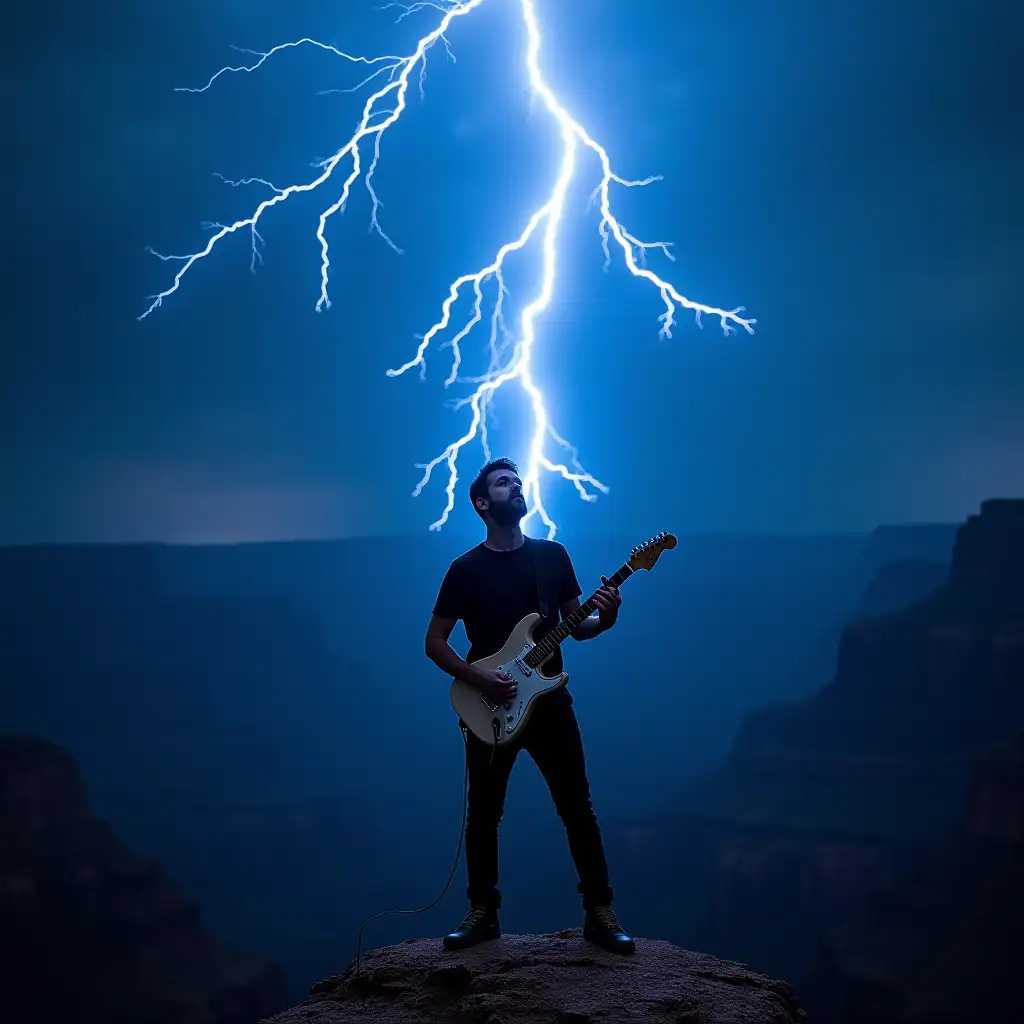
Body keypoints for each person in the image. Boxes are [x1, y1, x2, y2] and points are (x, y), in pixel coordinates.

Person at [424, 457, 635, 955]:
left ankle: (599, 912)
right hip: (488, 704)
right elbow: (435, 641)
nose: (515, 487)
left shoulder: (552, 556)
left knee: (577, 807)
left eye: (518, 482)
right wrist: (480, 677)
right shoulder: (464, 570)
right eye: (503, 483)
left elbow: (574, 626)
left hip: (549, 703)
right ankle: (482, 912)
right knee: (484, 814)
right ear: (481, 503)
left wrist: (605, 618)